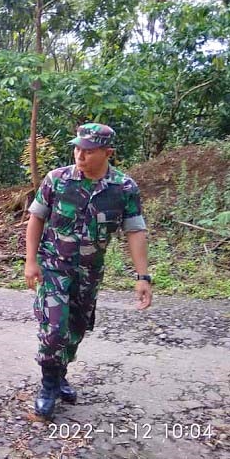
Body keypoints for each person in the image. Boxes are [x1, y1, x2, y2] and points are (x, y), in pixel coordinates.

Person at [25, 123, 153, 420]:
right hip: (53, 267)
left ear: (108, 153)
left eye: (89, 151)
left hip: (89, 272)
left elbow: (135, 231)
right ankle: (48, 386)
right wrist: (31, 261)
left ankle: (60, 374)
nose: (80, 156)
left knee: (76, 330)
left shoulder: (123, 188)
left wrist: (142, 277)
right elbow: (36, 219)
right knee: (54, 330)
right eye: (77, 148)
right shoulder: (57, 180)